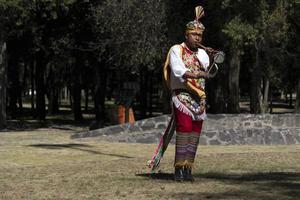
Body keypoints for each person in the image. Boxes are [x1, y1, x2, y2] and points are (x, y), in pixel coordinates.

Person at [147, 6, 213, 182]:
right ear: (186, 35)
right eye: (194, 35)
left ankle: (188, 168)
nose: (197, 38)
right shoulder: (177, 49)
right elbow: (178, 71)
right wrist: (197, 74)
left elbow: (207, 69)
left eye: (199, 35)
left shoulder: (202, 54)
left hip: (199, 98)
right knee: (184, 130)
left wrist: (210, 56)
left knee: (195, 133)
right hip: (182, 95)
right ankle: (178, 169)